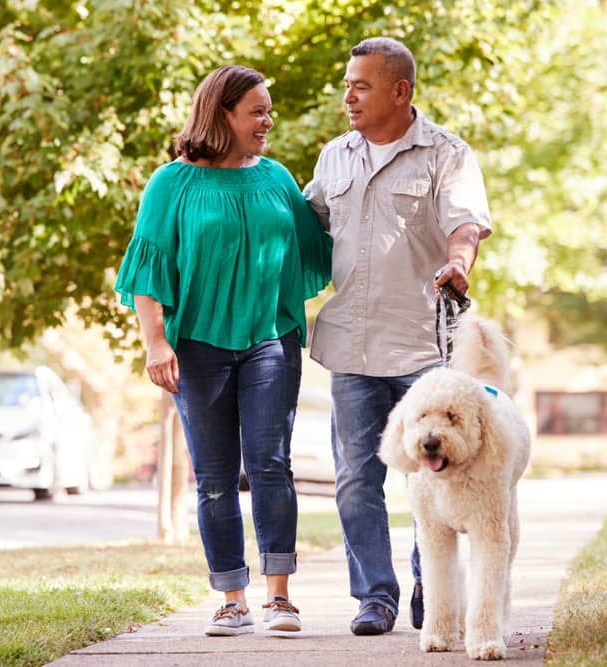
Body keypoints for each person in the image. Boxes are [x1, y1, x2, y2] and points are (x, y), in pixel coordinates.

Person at [115, 65, 332, 636]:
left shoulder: (277, 178)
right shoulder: (172, 184)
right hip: (197, 348)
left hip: (269, 340)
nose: (268, 120)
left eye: (268, 110)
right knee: (213, 477)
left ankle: (279, 596)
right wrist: (155, 341)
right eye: (257, 111)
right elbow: (148, 267)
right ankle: (232, 597)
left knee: (270, 464)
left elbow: (321, 242)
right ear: (223, 114)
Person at [303, 37, 492, 636]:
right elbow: (306, 225)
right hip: (351, 346)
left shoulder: (446, 154)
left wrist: (459, 262)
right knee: (357, 474)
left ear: (400, 91)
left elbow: (466, 224)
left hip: (423, 347)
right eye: (348, 83)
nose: (348, 96)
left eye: (361, 85)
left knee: (430, 474)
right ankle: (374, 597)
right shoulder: (335, 156)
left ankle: (426, 590)